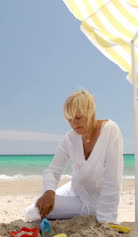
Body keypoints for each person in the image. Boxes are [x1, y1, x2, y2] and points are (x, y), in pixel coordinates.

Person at [25, 90, 124, 224]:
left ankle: (79, 212)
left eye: (78, 118)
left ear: (91, 112)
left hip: (94, 201)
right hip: (74, 189)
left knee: (36, 211)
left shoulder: (110, 130)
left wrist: (106, 220)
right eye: (69, 120)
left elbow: (113, 179)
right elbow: (53, 170)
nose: (73, 124)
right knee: (36, 207)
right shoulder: (70, 137)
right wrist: (49, 191)